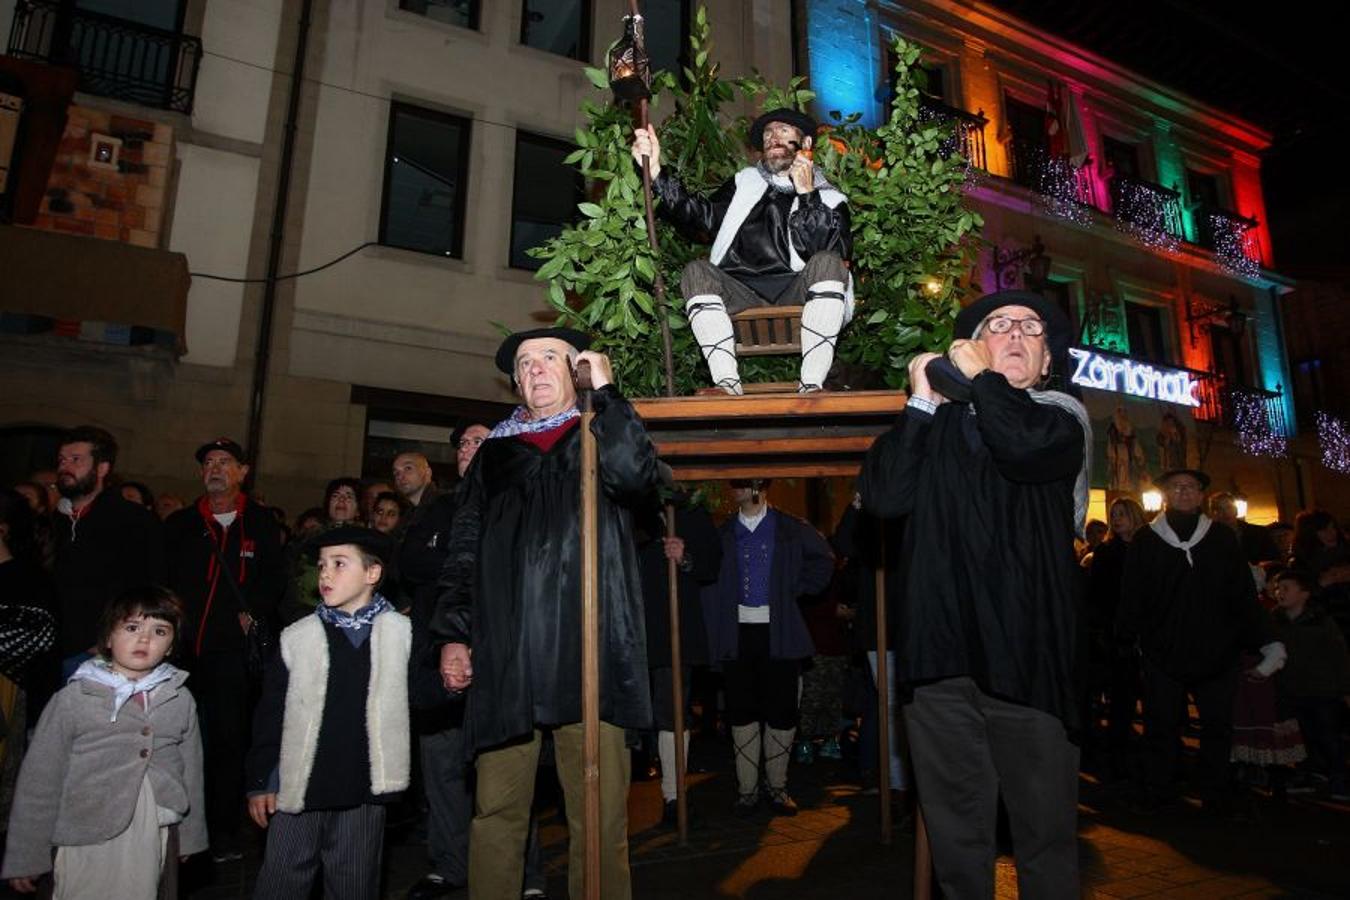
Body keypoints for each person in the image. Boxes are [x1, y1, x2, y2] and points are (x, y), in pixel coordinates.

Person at [859, 290, 1092, 898]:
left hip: (1029, 662)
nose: (1014, 332)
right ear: (969, 348)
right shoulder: (933, 424)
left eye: (1031, 327)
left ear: (1047, 361)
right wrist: (919, 402)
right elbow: (882, 498)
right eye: (997, 325)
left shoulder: (1060, 416)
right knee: (958, 851)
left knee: (1045, 844)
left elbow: (1019, 444)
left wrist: (980, 380)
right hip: (940, 667)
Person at [433, 327, 658, 900]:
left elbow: (636, 478)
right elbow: (464, 547)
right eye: (525, 364)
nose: (534, 370)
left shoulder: (598, 432)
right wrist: (454, 635)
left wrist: (605, 395)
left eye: (549, 359)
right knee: (497, 812)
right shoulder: (495, 456)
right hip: (507, 656)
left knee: (599, 818)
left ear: (576, 369)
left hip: (590, 652)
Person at [2, 586, 206, 897]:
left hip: (155, 829)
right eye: (132, 627)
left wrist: (191, 836)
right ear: (108, 639)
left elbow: (191, 769)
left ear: (171, 646)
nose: (144, 638)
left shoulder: (179, 697)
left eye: (160, 630)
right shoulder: (74, 699)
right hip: (87, 832)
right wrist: (26, 854)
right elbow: (39, 780)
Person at [631, 108, 853, 394]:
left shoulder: (831, 199)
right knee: (696, 270)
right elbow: (700, 216)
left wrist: (807, 194)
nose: (774, 137)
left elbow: (829, 252)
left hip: (797, 289)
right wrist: (655, 172)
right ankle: (726, 384)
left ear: (806, 143)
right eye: (768, 133)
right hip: (740, 292)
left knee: (828, 262)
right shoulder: (742, 183)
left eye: (784, 131)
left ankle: (812, 384)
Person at [246, 526, 410, 900]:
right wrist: (262, 780)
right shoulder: (298, 637)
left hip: (364, 788)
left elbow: (421, 691)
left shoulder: (400, 635)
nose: (325, 574)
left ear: (372, 574)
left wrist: (456, 674)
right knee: (282, 880)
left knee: (354, 883)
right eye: (321, 565)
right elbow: (271, 713)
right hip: (300, 787)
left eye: (339, 564)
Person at [1119, 468, 1285, 816]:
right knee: (1161, 724)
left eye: (1191, 487)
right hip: (1164, 652)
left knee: (1217, 726)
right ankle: (1160, 788)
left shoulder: (1222, 539)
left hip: (1216, 651)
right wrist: (1127, 640)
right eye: (1176, 487)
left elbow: (1241, 594)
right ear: (1165, 494)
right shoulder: (1147, 541)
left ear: (1200, 495)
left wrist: (1265, 640)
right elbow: (1133, 597)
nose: (1184, 492)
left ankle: (1215, 789)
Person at [163, 437, 286, 862]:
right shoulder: (181, 524)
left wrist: (255, 611)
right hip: (180, 653)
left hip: (232, 656)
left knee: (228, 740)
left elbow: (275, 579)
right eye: (209, 463)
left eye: (225, 462)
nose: (215, 468)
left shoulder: (262, 523)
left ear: (242, 472)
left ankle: (222, 829)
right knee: (176, 738)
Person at [702, 479, 834, 815]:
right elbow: (707, 573)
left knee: (782, 709)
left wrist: (795, 590)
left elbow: (824, 560)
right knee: (741, 709)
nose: (735, 489)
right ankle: (747, 790)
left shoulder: (790, 528)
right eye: (733, 483)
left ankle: (777, 787)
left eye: (742, 483)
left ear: (761, 485)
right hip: (738, 634)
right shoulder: (726, 532)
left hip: (780, 632)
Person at [403, 426, 485, 900]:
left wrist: (455, 558)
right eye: (462, 445)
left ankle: (525, 872)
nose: (466, 450)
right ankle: (449, 864)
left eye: (478, 442)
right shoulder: (438, 508)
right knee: (441, 765)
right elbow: (410, 562)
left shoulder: (511, 502)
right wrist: (461, 561)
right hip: (438, 654)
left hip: (494, 654)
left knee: (503, 771)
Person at [634, 473, 721, 826]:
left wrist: (685, 557)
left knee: (672, 709)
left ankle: (673, 795)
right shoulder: (634, 508)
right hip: (632, 625)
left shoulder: (693, 510)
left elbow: (712, 564)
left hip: (674, 625)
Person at [50, 426, 165, 678]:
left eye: (76, 460)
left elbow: (145, 586)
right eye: (62, 460)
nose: (65, 467)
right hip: (51, 647)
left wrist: (110, 637)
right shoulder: (53, 521)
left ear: (102, 468)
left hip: (97, 652)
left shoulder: (133, 521)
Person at [1269, 568, 1350, 800]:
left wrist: (1345, 688)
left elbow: (1339, 654)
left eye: (1286, 588)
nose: (1280, 592)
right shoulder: (1275, 619)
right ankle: (1307, 774)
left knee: (1327, 736)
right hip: (1290, 689)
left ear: (1304, 593)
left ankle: (1338, 779)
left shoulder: (1321, 621)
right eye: (1278, 588)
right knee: (1298, 737)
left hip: (1321, 690)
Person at [1085, 497, 1148, 779]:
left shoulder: (1149, 548)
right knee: (1122, 697)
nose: (1117, 519)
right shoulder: (1107, 553)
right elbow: (1098, 596)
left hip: (1149, 633)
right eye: (1114, 514)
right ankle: (1118, 754)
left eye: (1123, 513)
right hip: (1118, 634)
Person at [1209, 492, 1280, 565]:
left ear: (1236, 510)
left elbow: (1273, 559)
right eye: (1219, 509)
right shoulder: (1209, 538)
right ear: (1213, 514)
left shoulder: (1259, 532)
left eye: (1229, 507)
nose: (1225, 512)